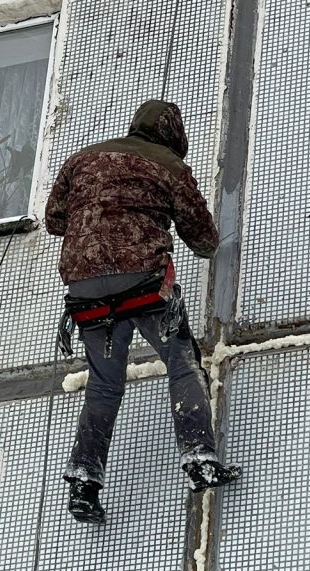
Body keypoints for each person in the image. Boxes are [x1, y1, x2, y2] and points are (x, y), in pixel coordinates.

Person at [45, 99, 240, 524]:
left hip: (85, 293)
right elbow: (204, 239)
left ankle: (84, 483)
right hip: (143, 286)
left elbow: (55, 221)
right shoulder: (170, 166)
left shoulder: (82, 159)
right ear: (173, 136)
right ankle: (199, 458)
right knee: (182, 363)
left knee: (103, 385)